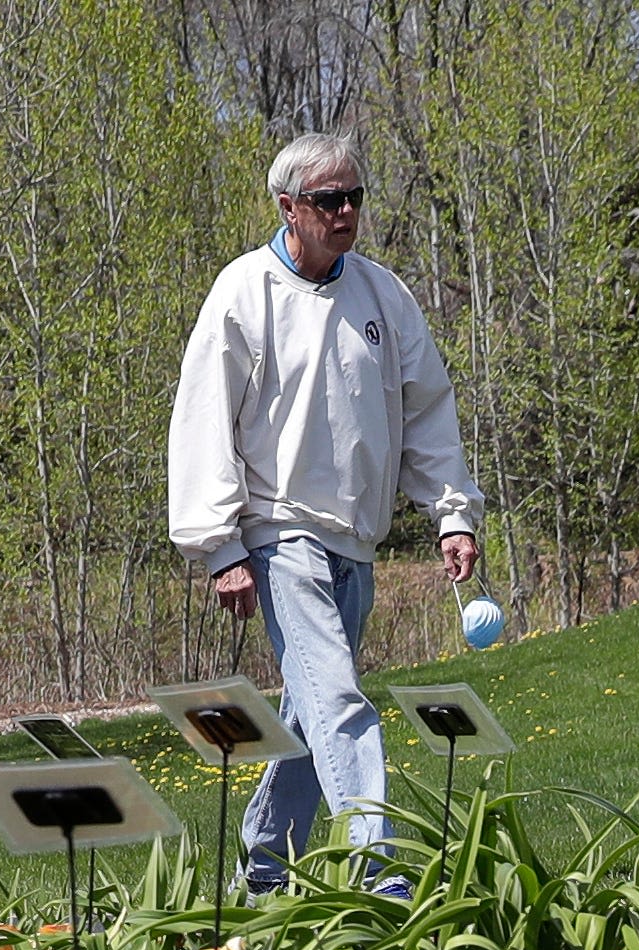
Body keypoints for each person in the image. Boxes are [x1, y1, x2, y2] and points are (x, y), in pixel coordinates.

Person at [167, 132, 483, 896]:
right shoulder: (243, 292)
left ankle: (265, 872)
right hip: (280, 535)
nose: (345, 213)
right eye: (327, 200)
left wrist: (452, 514)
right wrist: (221, 547)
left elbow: (426, 409)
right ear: (287, 207)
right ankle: (382, 879)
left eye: (354, 198)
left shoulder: (384, 295)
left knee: (311, 716)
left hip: (358, 541)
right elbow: (204, 419)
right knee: (341, 701)